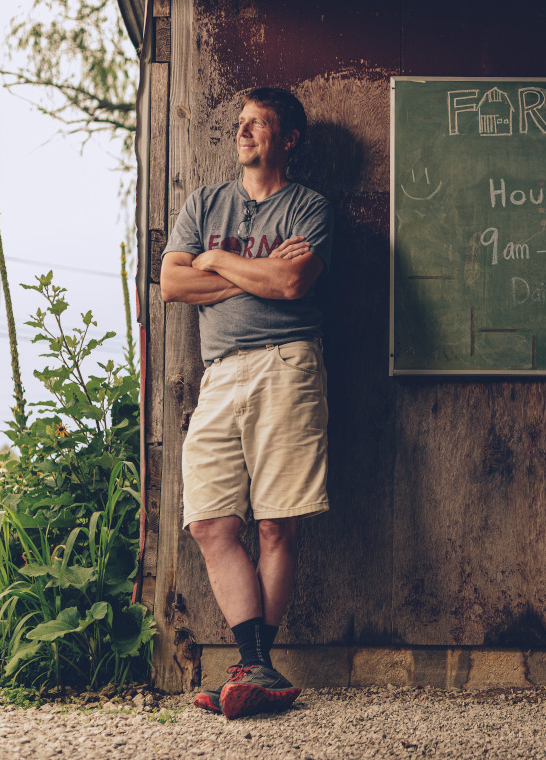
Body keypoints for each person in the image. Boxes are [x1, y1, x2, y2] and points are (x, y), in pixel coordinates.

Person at [160, 87, 332, 719]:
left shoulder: (308, 207)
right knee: (209, 521)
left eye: (260, 123)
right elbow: (172, 282)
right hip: (220, 373)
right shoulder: (206, 202)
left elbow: (292, 282)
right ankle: (257, 668)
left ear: (288, 138)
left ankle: (255, 667)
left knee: (274, 522)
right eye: (241, 123)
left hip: (287, 364)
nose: (245, 131)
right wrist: (237, 267)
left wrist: (216, 260)